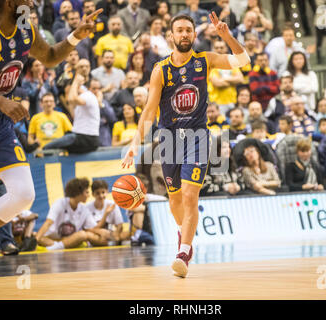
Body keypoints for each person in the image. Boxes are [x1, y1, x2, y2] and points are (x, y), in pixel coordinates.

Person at [0, 0, 102, 289]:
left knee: (23, 194)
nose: (32, 2)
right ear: (9, 3)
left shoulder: (26, 30)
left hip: (0, 124)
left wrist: (75, 36)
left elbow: (52, 55)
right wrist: (0, 100)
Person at [121, 13, 250, 278]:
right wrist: (136, 143)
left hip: (198, 137)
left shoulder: (206, 60)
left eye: (188, 30)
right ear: (171, 35)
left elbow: (243, 60)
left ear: (194, 34)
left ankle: (184, 252)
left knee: (191, 196)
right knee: (175, 198)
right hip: (168, 139)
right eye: (179, 30)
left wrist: (226, 36)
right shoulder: (161, 69)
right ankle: (184, 232)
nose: (184, 34)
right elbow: (148, 110)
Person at [36, 178, 110, 250]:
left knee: (93, 236)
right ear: (78, 193)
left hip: (70, 239)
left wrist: (102, 232)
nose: (88, 195)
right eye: (86, 192)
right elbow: (48, 223)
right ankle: (58, 246)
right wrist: (36, 240)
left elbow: (92, 228)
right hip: (52, 238)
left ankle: (57, 247)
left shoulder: (84, 209)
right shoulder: (60, 203)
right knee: (82, 235)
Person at [44, 75, 100, 153]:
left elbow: (72, 99)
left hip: (87, 138)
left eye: (69, 92)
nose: (67, 95)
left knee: (47, 147)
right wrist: (69, 98)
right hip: (81, 137)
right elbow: (75, 116)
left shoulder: (88, 95)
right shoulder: (80, 102)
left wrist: (75, 82)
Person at [208, 39, 244, 115]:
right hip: (216, 104)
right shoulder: (210, 64)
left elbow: (241, 79)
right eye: (216, 48)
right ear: (213, 49)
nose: (219, 50)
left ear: (226, 48)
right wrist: (232, 81)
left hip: (232, 102)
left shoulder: (231, 63)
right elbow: (218, 83)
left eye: (221, 47)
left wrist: (224, 79)